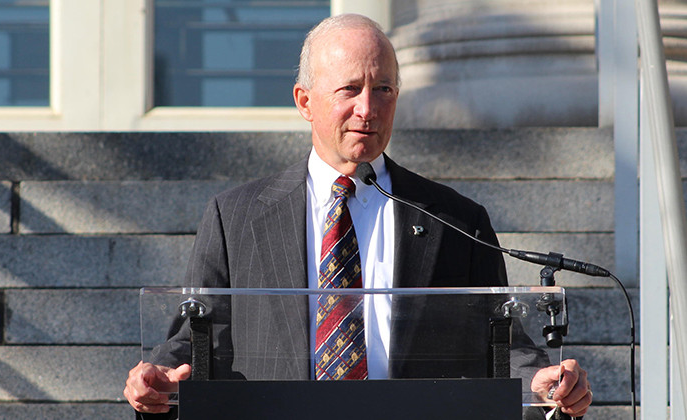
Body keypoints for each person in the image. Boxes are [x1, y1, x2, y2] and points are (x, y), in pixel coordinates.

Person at [124, 13, 592, 419]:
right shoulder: (237, 217)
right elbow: (193, 338)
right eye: (350, 89)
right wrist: (159, 380)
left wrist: (543, 383)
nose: (368, 109)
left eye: (384, 89)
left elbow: (503, 343)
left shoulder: (456, 219)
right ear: (304, 101)